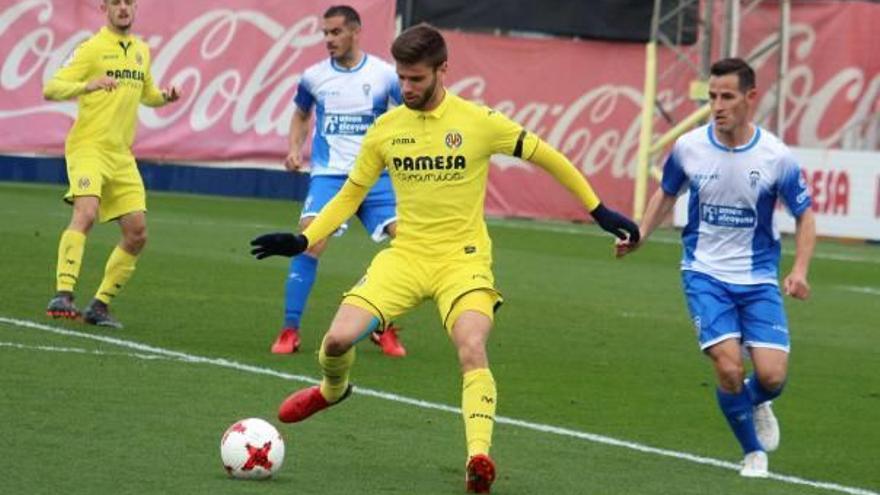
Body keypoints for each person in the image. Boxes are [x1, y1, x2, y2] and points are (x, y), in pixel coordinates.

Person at [250, 25, 639, 493]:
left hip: (464, 261)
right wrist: (303, 238)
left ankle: (478, 459)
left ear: (442, 71)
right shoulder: (387, 130)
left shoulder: (478, 121)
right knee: (335, 342)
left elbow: (547, 156)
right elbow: (352, 192)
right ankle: (333, 390)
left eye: (416, 79)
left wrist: (598, 210)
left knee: (472, 348)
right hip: (406, 258)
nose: (407, 88)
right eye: (402, 78)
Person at [616, 58, 815, 478]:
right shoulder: (689, 148)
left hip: (758, 277)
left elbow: (805, 215)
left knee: (772, 377)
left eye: (727, 97)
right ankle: (753, 454)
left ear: (750, 98)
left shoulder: (776, 155)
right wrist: (640, 234)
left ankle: (758, 399)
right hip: (704, 274)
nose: (717, 106)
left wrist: (799, 269)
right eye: (711, 97)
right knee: (728, 367)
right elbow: (666, 195)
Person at [274, 5, 406, 357]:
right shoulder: (315, 76)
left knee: (409, 244)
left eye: (335, 32)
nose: (328, 40)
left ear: (355, 32)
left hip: (375, 177)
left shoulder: (384, 75)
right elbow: (301, 115)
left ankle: (383, 323)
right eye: (325, 33)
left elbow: (409, 115)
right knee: (308, 238)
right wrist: (294, 149)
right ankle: (290, 329)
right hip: (330, 176)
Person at [43, 0, 180, 328]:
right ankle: (63, 293)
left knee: (137, 234)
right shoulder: (90, 48)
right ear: (103, 7)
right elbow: (51, 88)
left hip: (121, 154)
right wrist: (85, 85)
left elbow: (146, 93)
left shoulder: (141, 51)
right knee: (86, 212)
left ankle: (99, 305)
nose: (123, 8)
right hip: (88, 147)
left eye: (129, 2)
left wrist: (165, 96)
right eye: (116, 2)